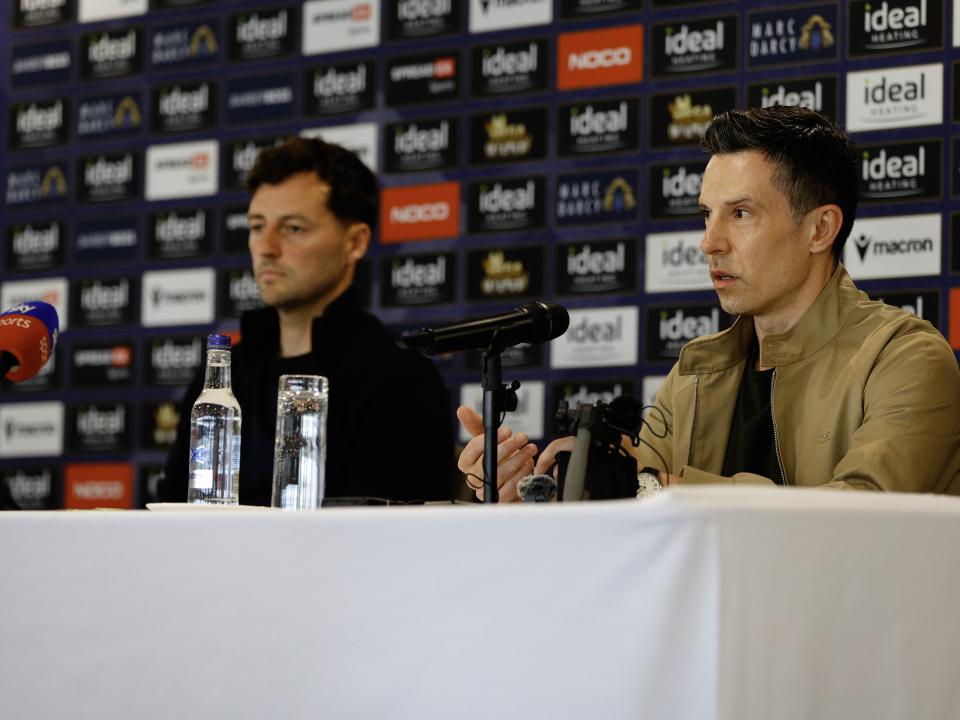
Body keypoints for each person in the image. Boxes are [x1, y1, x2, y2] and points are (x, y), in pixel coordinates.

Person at [458, 105, 960, 500]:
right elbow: (629, 517)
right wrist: (530, 494)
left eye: (740, 213)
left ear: (820, 228)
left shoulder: (905, 359)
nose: (709, 242)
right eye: (706, 215)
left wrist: (658, 488)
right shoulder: (695, 373)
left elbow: (863, 517)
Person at [161, 136, 455, 505]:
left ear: (355, 243)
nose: (266, 247)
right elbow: (174, 514)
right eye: (256, 226)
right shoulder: (227, 372)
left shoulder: (399, 375)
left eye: (293, 228)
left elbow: (396, 543)